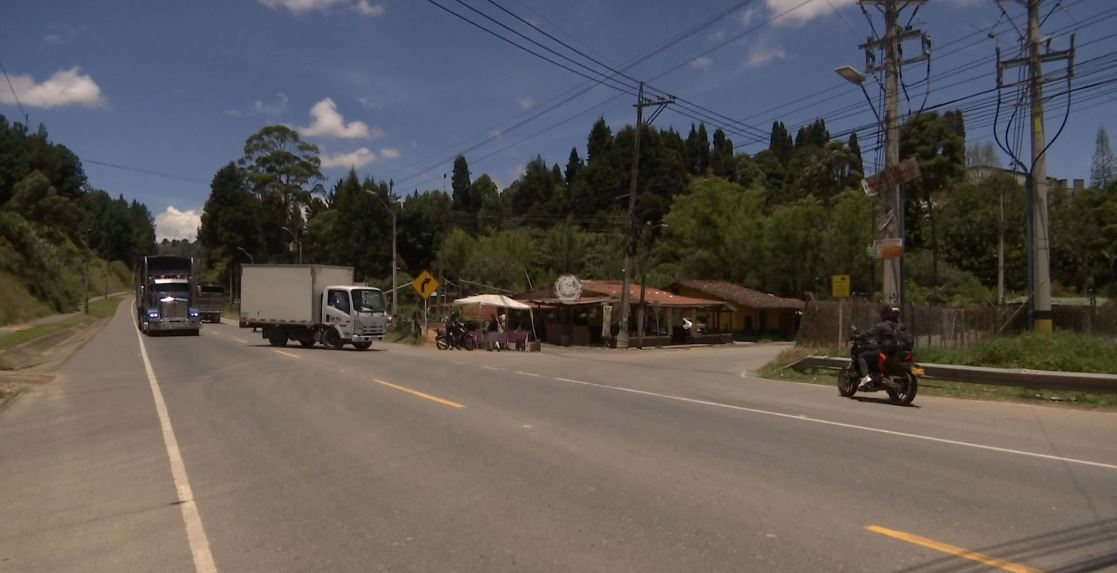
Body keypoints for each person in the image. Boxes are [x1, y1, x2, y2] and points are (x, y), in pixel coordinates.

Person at [857, 306, 906, 388]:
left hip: (886, 350)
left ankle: (865, 378)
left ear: (883, 315)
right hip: (899, 350)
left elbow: (869, 333)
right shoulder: (899, 325)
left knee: (862, 356)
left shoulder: (882, 325)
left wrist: (860, 336)